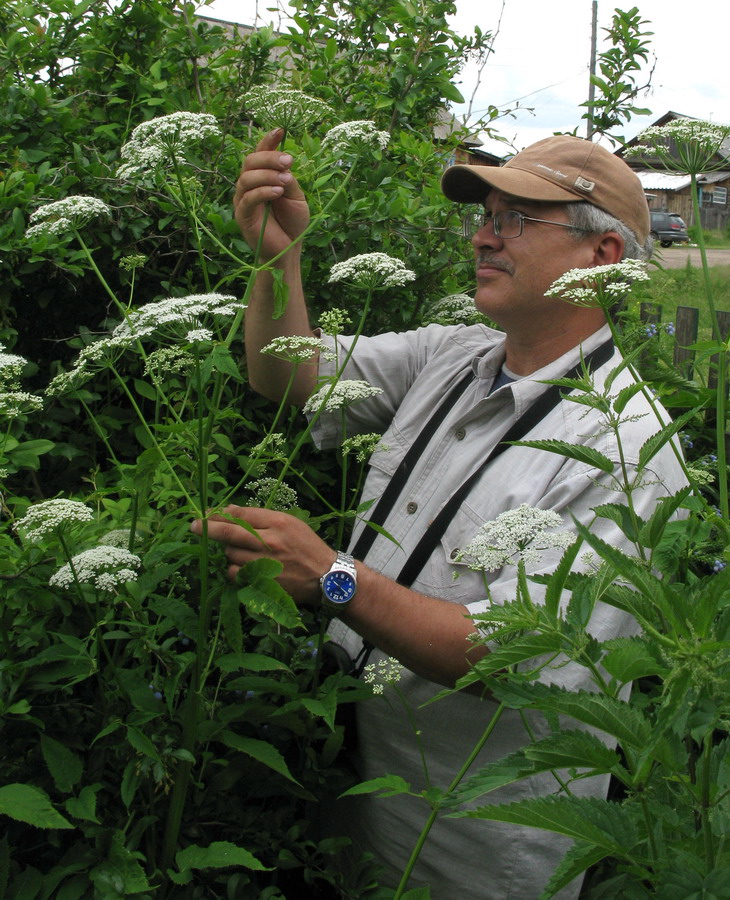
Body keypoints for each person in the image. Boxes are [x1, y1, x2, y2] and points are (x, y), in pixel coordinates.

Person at [194, 131, 687, 898]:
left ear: (605, 256)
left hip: (470, 853)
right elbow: (287, 374)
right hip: (345, 804)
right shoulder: (453, 356)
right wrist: (277, 255)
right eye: (488, 214)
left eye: (521, 219)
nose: (485, 235)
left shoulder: (627, 450)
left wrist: (330, 578)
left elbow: (507, 655)